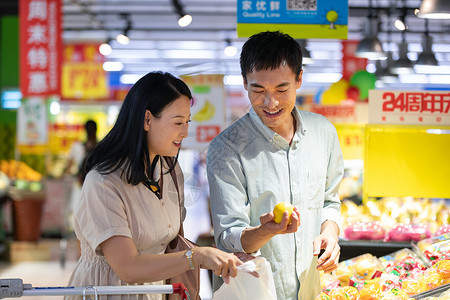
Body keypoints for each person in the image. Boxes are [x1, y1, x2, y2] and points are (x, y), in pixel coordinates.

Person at [66, 71, 246, 300]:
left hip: (155, 292)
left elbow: (173, 242)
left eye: (187, 122)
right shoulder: (104, 182)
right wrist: (196, 257)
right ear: (147, 119)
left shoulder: (170, 170)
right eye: (178, 122)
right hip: (108, 291)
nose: (185, 132)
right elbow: (128, 267)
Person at [206, 31, 344, 299]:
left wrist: (330, 232)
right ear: (245, 83)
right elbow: (228, 236)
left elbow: (330, 201)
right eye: (258, 90)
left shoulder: (323, 132)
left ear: (299, 79)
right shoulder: (226, 148)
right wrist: (264, 231)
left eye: (282, 89)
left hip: (312, 289)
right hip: (258, 292)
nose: (271, 103)